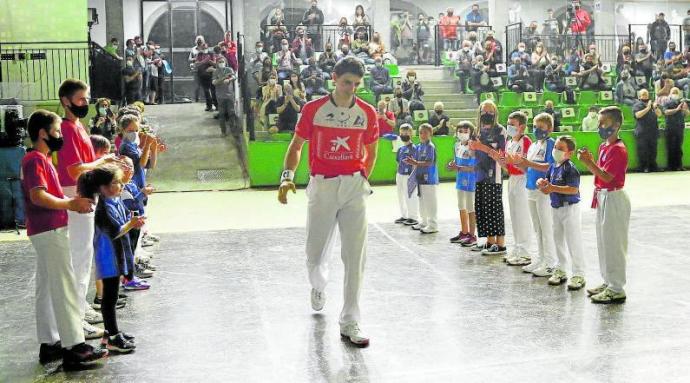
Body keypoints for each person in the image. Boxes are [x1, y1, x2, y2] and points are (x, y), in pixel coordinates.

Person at [277, 57, 378, 347]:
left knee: (355, 256)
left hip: (354, 188)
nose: (351, 89)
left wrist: (362, 181)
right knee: (315, 252)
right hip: (321, 186)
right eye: (347, 82)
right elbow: (296, 146)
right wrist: (287, 176)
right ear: (334, 78)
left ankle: (350, 320)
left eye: (357, 84)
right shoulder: (313, 110)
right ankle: (318, 285)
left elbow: (371, 152)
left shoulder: (367, 113)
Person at [22, 110, 108, 369]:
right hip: (49, 229)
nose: (60, 135)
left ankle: (49, 343)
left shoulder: (40, 159)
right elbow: (38, 196)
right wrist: (70, 203)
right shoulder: (35, 160)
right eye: (57, 131)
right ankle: (74, 347)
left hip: (45, 229)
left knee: (47, 286)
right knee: (65, 286)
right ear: (43, 133)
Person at [56, 79, 118, 340]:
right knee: (78, 260)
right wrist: (103, 161)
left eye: (87, 98)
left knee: (85, 257)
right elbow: (73, 169)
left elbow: (86, 163)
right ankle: (75, 319)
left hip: (85, 191)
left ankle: (80, 309)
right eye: (81, 99)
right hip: (75, 193)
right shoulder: (67, 130)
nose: (86, 103)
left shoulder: (79, 127)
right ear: (66, 101)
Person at [79, 165, 142, 353]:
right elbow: (115, 231)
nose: (120, 185)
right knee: (109, 297)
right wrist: (131, 224)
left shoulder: (113, 201)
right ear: (102, 187)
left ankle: (110, 333)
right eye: (115, 182)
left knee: (112, 296)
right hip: (108, 257)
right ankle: (113, 336)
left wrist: (131, 223)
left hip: (117, 255)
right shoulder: (102, 208)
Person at [577, 106, 630, 304]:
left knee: (614, 244)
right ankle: (608, 281)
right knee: (604, 243)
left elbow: (608, 177)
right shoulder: (604, 146)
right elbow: (601, 174)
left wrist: (589, 164)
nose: (599, 126)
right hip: (602, 197)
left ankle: (617, 287)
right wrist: (591, 162)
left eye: (603, 123)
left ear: (615, 125)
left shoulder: (619, 149)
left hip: (614, 197)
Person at [509, 113, 557, 278]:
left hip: (543, 190)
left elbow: (549, 166)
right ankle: (541, 258)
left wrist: (528, 163)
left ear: (550, 128)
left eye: (541, 128)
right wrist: (520, 164)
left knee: (546, 227)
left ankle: (551, 262)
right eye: (535, 127)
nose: (537, 130)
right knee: (537, 228)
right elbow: (528, 168)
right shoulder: (533, 145)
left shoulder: (551, 144)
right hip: (530, 189)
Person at [536, 135, 586, 290]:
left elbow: (573, 189)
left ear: (569, 153)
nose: (556, 150)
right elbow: (547, 188)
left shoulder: (570, 168)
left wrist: (552, 188)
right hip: (555, 207)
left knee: (573, 240)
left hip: (569, 208)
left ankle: (578, 273)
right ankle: (561, 269)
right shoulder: (552, 167)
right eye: (556, 147)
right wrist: (542, 185)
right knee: (558, 240)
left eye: (560, 148)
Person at [468, 100, 507, 256]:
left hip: (494, 175)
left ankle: (501, 244)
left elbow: (503, 156)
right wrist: (471, 148)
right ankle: (489, 241)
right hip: (479, 174)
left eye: (490, 112)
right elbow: (472, 152)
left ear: (495, 113)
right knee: (483, 209)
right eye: (484, 112)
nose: (487, 115)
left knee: (495, 209)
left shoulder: (500, 131)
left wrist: (482, 147)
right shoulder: (476, 131)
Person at [503, 112, 533, 266]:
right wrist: (500, 160)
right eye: (508, 124)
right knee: (514, 215)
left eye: (512, 124)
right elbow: (508, 167)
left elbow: (526, 165)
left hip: (523, 179)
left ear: (522, 126)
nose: (509, 127)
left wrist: (513, 162)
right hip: (512, 179)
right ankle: (517, 247)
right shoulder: (509, 142)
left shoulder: (526, 141)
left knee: (522, 215)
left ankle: (525, 252)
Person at [447, 121, 477, 246]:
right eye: (460, 131)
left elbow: (474, 168)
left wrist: (458, 167)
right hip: (460, 180)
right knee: (461, 206)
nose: (462, 134)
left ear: (471, 133)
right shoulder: (456, 145)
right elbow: (456, 161)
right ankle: (464, 232)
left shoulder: (473, 147)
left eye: (466, 132)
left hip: (470, 181)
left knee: (470, 208)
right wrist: (452, 165)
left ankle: (472, 235)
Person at [404, 123, 438, 234]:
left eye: (425, 132)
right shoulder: (419, 146)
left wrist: (416, 162)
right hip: (420, 177)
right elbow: (416, 162)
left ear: (430, 134)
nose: (422, 135)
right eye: (420, 132)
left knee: (430, 201)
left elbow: (429, 162)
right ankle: (424, 222)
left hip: (429, 178)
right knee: (422, 201)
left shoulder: (430, 146)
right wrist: (411, 162)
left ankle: (433, 225)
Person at [394, 124, 419, 226]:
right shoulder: (400, 149)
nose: (404, 135)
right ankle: (404, 215)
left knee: (410, 196)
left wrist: (413, 176)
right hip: (400, 175)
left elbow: (416, 163)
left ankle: (413, 217)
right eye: (402, 133)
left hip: (409, 175)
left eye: (406, 133)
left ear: (411, 133)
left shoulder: (414, 148)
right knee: (401, 196)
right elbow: (398, 162)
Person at [632, 89, 661, 172]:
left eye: (646, 94)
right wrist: (648, 108)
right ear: (639, 96)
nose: (645, 96)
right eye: (643, 94)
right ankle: (644, 167)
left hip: (653, 131)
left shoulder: (652, 105)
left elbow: (659, 114)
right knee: (643, 151)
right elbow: (638, 115)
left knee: (653, 150)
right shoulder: (637, 105)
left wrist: (654, 107)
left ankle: (653, 166)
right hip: (642, 132)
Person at [661, 87, 689, 171]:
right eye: (673, 92)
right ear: (670, 93)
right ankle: (671, 166)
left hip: (679, 127)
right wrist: (677, 109)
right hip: (670, 127)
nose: (675, 94)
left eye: (676, 92)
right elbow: (666, 112)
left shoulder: (682, 103)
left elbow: (687, 114)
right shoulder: (666, 102)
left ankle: (679, 165)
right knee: (670, 147)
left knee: (678, 147)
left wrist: (684, 109)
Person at [212, 56, 238, 137]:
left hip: (229, 95)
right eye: (219, 62)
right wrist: (224, 78)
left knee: (231, 113)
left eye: (222, 62)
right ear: (217, 63)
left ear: (225, 62)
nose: (221, 63)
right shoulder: (215, 72)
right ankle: (223, 132)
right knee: (222, 114)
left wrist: (229, 79)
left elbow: (234, 76)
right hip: (220, 96)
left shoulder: (229, 69)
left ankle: (233, 131)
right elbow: (214, 82)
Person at [196, 43, 218, 112]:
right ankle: (209, 106)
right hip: (202, 75)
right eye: (203, 48)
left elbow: (215, 63)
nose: (204, 49)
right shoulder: (199, 54)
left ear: (207, 48)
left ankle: (216, 105)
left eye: (205, 48)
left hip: (211, 75)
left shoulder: (211, 54)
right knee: (206, 91)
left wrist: (209, 61)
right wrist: (204, 61)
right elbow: (197, 64)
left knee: (213, 91)